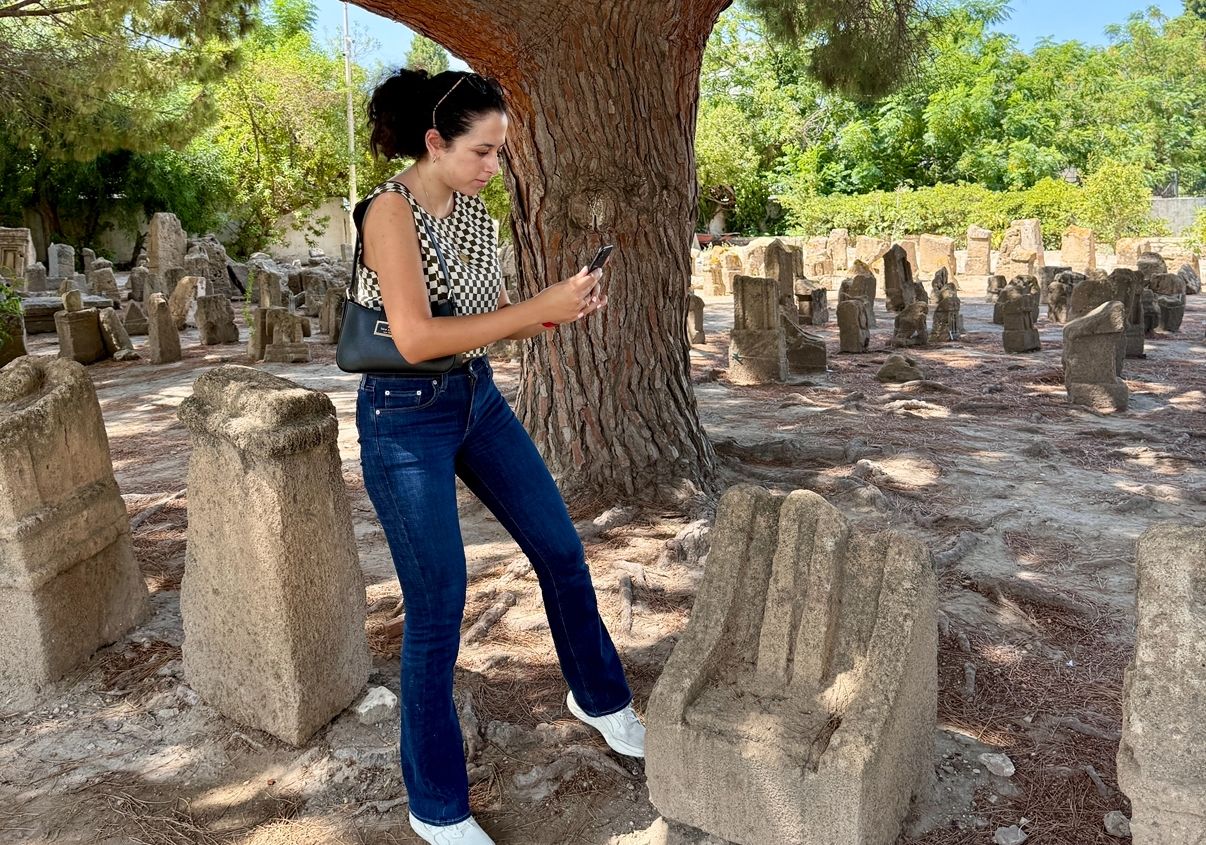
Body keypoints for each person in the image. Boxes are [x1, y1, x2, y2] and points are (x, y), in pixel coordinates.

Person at [355, 68, 644, 845]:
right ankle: (438, 806)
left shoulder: (475, 215)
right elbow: (414, 338)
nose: (493, 166)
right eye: (482, 151)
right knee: (439, 605)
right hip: (403, 413)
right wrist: (531, 312)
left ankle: (598, 695)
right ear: (433, 141)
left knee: (559, 545)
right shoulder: (391, 211)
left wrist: (555, 309)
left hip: (475, 397)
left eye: (500, 152)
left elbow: (483, 322)